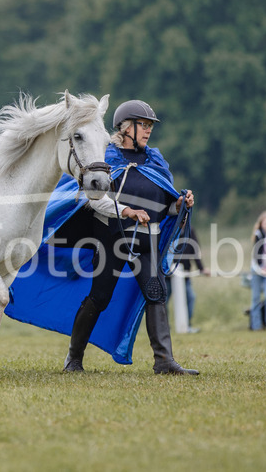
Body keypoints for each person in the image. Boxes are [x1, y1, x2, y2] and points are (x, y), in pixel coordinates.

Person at [63, 100, 197, 375]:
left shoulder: (156, 161)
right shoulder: (106, 158)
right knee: (99, 298)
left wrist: (180, 203)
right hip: (112, 237)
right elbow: (94, 199)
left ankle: (164, 361)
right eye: (143, 125)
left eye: (150, 126)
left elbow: (164, 205)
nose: (148, 131)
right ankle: (73, 359)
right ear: (124, 128)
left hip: (147, 241)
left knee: (156, 293)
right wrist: (126, 210)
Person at [166, 226, 206, 332]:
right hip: (167, 274)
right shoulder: (169, 228)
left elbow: (195, 251)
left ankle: (187, 325)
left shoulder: (190, 231)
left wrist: (201, 268)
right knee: (163, 301)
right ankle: (164, 327)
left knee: (190, 297)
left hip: (185, 273)